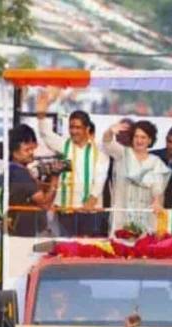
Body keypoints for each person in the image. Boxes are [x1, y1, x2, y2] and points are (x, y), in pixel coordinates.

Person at [36, 90, 109, 237]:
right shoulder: (64, 145)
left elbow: (99, 181)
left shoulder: (100, 153)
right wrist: (41, 114)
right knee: (66, 249)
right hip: (66, 210)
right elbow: (46, 134)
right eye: (71, 127)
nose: (73, 131)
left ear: (87, 129)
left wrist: (90, 202)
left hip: (90, 210)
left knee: (87, 251)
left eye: (78, 127)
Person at [101, 120, 171, 235]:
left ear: (150, 140)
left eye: (143, 137)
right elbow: (107, 143)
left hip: (146, 216)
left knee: (143, 250)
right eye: (136, 137)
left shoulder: (156, 162)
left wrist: (157, 201)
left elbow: (158, 187)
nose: (139, 140)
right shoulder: (122, 153)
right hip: (122, 215)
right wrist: (110, 131)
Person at [7, 124, 59, 236]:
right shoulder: (20, 174)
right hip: (24, 234)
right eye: (27, 150)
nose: (31, 153)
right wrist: (55, 178)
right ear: (14, 152)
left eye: (32, 148)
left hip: (17, 231)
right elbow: (45, 203)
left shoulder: (12, 170)